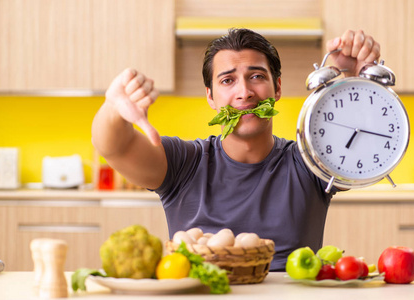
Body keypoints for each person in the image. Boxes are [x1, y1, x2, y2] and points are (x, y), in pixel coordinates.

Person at [91, 28, 381, 271]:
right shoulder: (185, 163)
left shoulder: (311, 160)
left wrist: (354, 83)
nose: (244, 92)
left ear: (277, 88)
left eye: (256, 76)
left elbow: (368, 143)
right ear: (211, 97)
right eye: (227, 80)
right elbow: (115, 145)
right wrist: (113, 107)